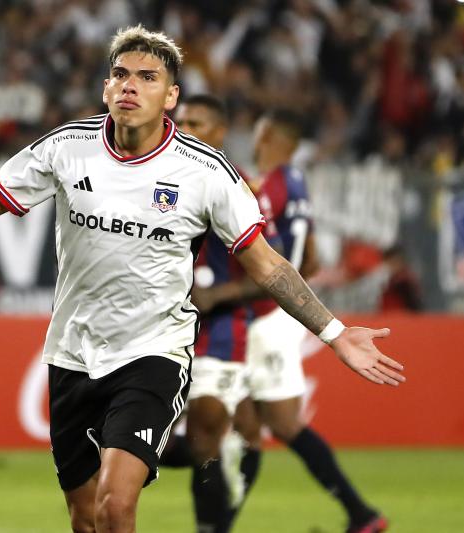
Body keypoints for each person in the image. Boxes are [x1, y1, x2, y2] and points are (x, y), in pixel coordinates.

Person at [0, 26, 405, 533]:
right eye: (120, 73)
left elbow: (268, 263)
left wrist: (334, 332)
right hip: (71, 354)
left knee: (116, 506)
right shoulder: (68, 149)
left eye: (147, 77)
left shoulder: (206, 173)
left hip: (152, 352)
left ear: (170, 96)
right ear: (105, 87)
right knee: (85, 518)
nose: (129, 84)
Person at [197, 109, 390, 533]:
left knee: (272, 425)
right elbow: (311, 258)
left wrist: (224, 292)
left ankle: (361, 513)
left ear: (263, 133)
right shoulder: (296, 184)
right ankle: (359, 513)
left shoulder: (261, 189)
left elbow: (266, 258)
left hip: (264, 316)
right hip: (279, 312)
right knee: (246, 426)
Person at [172, 94, 277, 532]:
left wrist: (219, 296)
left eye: (196, 123)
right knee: (200, 441)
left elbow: (273, 271)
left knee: (204, 439)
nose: (184, 130)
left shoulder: (240, 190)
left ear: (219, 133)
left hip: (218, 331)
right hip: (162, 327)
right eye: (180, 122)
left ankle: (213, 524)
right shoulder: (158, 178)